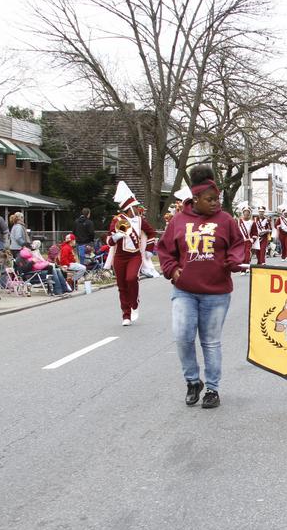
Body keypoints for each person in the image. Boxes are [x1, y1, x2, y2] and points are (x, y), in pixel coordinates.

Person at [157, 164, 248, 410]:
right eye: (209, 200)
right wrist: (172, 269)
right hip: (184, 290)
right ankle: (192, 381)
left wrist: (234, 260)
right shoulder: (178, 221)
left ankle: (212, 389)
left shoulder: (226, 220)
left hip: (216, 293)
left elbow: (238, 245)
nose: (215, 204)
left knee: (210, 342)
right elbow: (165, 250)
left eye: (217, 199)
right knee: (182, 336)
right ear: (195, 199)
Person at [106, 181, 157, 326]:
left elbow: (151, 233)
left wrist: (149, 249)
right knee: (122, 286)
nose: (137, 209)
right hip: (120, 257)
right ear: (129, 208)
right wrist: (117, 236)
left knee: (131, 279)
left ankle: (135, 302)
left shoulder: (140, 221)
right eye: (135, 207)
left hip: (134, 255)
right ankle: (125, 315)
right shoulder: (118, 220)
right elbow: (109, 241)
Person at [236, 204, 259, 269]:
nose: (246, 214)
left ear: (249, 214)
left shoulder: (252, 223)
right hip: (240, 241)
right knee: (241, 255)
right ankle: (245, 266)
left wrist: (253, 239)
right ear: (243, 213)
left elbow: (255, 233)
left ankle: (244, 269)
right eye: (245, 213)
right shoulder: (238, 221)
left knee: (247, 254)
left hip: (248, 241)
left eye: (247, 213)